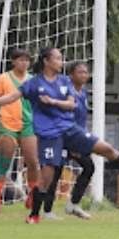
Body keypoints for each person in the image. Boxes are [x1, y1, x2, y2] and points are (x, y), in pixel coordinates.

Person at [0, 47, 119, 224]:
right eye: (57, 58)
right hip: (49, 135)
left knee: (107, 149)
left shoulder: (64, 81)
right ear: (46, 61)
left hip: (70, 129)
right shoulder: (34, 83)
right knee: (47, 177)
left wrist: (53, 101)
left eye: (61, 58)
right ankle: (34, 214)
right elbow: (11, 97)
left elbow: (71, 104)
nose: (61, 61)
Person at [43, 61, 95, 220]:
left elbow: (81, 118)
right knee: (56, 172)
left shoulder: (83, 92)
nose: (84, 75)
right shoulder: (65, 92)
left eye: (86, 72)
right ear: (71, 75)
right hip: (63, 138)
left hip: (77, 138)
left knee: (89, 167)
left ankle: (73, 204)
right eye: (80, 72)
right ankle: (47, 211)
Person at [0, 48, 39, 210]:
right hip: (7, 123)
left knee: (32, 161)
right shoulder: (3, 78)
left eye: (27, 60)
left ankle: (32, 193)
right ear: (13, 61)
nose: (24, 63)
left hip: (28, 124)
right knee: (5, 158)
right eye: (21, 60)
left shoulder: (33, 80)